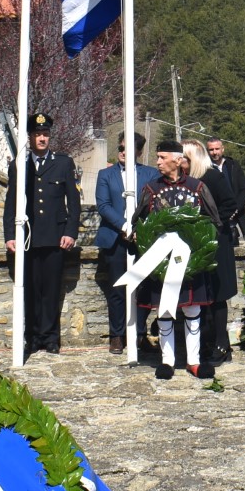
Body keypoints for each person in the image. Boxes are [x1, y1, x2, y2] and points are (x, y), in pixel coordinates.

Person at [135, 139, 220, 378]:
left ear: (178, 160)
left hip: (191, 262)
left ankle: (194, 361)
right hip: (161, 262)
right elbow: (138, 221)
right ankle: (167, 361)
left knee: (193, 310)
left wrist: (201, 248)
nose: (158, 162)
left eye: (162, 158)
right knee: (164, 311)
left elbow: (213, 221)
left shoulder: (197, 187)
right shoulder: (151, 189)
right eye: (158, 157)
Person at [4, 112, 80, 354]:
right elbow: (11, 203)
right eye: (38, 134)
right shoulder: (20, 165)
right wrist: (10, 235)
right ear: (30, 137)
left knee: (52, 290)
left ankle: (50, 337)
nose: (42, 138)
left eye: (45, 134)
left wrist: (71, 232)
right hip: (28, 238)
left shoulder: (63, 163)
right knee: (31, 290)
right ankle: (33, 336)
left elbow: (74, 201)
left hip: (55, 237)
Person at [93, 133, 160, 354]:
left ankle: (139, 333)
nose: (122, 152)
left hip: (142, 239)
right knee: (117, 289)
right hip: (115, 239)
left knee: (144, 288)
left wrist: (139, 230)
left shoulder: (151, 174)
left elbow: (153, 205)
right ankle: (117, 335)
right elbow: (103, 205)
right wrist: (124, 227)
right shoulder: (105, 174)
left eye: (128, 149)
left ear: (138, 152)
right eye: (120, 148)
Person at [184, 138, 239, 363]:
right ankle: (206, 341)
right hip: (197, 245)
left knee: (217, 295)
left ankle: (221, 344)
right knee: (202, 294)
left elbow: (230, 204)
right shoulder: (187, 180)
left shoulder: (213, 177)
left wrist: (210, 224)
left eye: (184, 158)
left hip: (217, 243)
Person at [205, 137, 245, 238]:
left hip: (238, 214)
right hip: (217, 216)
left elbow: (244, 190)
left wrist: (235, 208)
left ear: (222, 149)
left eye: (217, 149)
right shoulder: (205, 168)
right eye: (211, 149)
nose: (214, 152)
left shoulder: (233, 165)